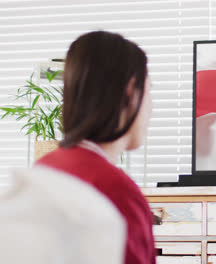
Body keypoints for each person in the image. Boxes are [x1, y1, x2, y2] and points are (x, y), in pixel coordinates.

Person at [36, 30, 156, 264]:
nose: (152, 106)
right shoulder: (116, 192)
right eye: (150, 89)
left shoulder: (43, 170)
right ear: (130, 93)